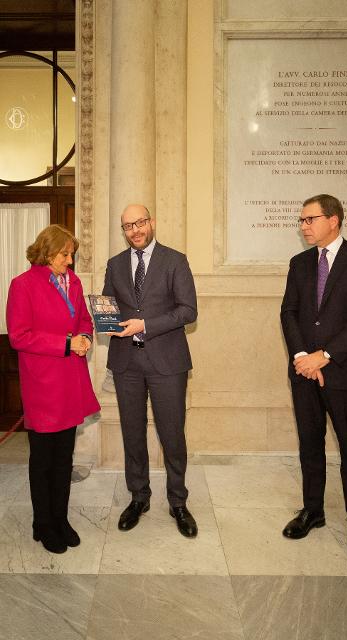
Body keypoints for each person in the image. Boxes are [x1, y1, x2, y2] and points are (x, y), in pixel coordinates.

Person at [280, 194, 347, 556]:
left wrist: (324, 356)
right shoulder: (299, 263)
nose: (304, 226)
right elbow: (289, 313)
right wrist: (301, 357)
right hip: (303, 372)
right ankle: (313, 511)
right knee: (310, 444)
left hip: (346, 373)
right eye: (302, 221)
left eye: (310, 219)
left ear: (334, 220)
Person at [102, 204, 198, 537]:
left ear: (151, 222)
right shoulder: (115, 264)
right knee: (132, 433)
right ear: (123, 230)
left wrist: (146, 324)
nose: (135, 230)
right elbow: (108, 305)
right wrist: (107, 322)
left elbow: (189, 311)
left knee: (172, 435)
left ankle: (178, 502)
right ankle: (139, 496)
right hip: (126, 363)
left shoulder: (176, 260)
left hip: (167, 363)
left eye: (140, 223)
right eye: (128, 226)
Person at [6, 224, 100, 554]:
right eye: (65, 254)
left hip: (70, 382)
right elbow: (19, 336)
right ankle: (42, 523)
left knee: (64, 459)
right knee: (42, 460)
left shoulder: (72, 282)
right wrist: (64, 343)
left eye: (71, 254)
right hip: (43, 385)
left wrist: (85, 338)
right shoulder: (22, 285)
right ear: (47, 253)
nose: (70, 261)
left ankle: (60, 519)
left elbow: (84, 320)